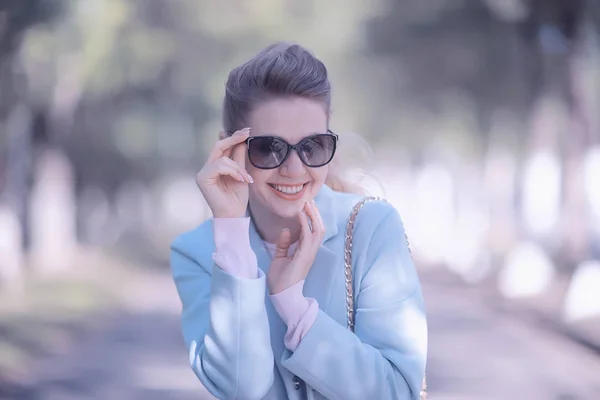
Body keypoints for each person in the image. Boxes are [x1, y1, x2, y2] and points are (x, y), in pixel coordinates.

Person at [170, 42, 428, 400]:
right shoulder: (197, 253)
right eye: (268, 148)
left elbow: (397, 392)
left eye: (313, 146)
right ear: (229, 150)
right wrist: (231, 238)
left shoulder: (372, 228)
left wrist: (294, 305)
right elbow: (241, 388)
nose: (294, 169)